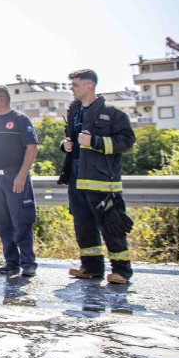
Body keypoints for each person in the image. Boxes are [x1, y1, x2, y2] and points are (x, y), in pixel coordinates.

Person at [58, 69, 136, 284]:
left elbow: (127, 142)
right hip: (76, 181)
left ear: (89, 86)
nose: (71, 89)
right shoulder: (74, 113)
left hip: (101, 182)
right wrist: (65, 146)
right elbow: (72, 141)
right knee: (83, 225)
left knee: (111, 226)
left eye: (74, 85)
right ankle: (91, 267)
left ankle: (121, 271)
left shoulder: (113, 114)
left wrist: (95, 142)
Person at [0, 85, 39, 276]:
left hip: (16, 177)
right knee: (2, 222)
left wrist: (22, 175)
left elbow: (32, 148)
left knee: (21, 220)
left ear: (1, 100)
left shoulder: (20, 119)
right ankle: (11, 262)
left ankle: (28, 263)